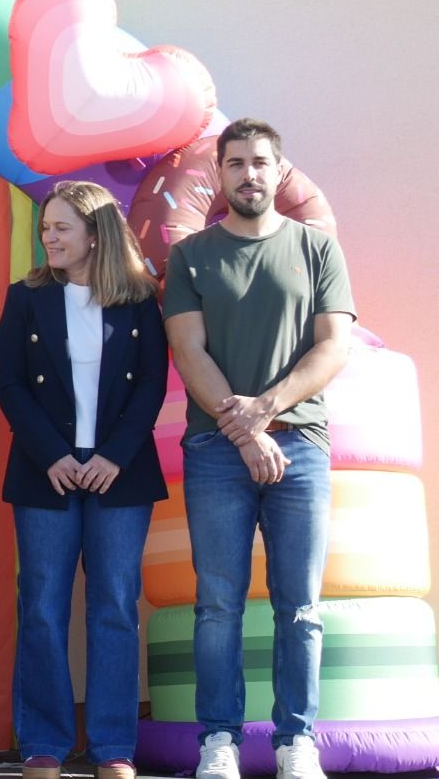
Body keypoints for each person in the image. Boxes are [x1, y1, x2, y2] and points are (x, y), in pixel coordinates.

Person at [163, 119, 354, 779]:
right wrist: (246, 433)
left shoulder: (317, 249)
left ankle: (296, 741)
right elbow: (188, 351)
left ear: (279, 172)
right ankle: (219, 740)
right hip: (216, 450)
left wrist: (266, 411)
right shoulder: (191, 256)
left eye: (260, 162)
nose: (249, 173)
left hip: (300, 446)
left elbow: (333, 347)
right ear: (219, 174)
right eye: (236, 162)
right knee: (218, 605)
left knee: (299, 606)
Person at [0, 181, 167, 779]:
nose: (49, 237)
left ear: (96, 234)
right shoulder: (25, 297)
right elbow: (10, 383)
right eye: (46, 228)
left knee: (115, 605)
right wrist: (52, 456)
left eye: (62, 227)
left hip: (121, 472)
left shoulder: (140, 299)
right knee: (42, 605)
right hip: (47, 472)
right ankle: (43, 743)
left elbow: (152, 383)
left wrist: (114, 456)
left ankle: (113, 748)